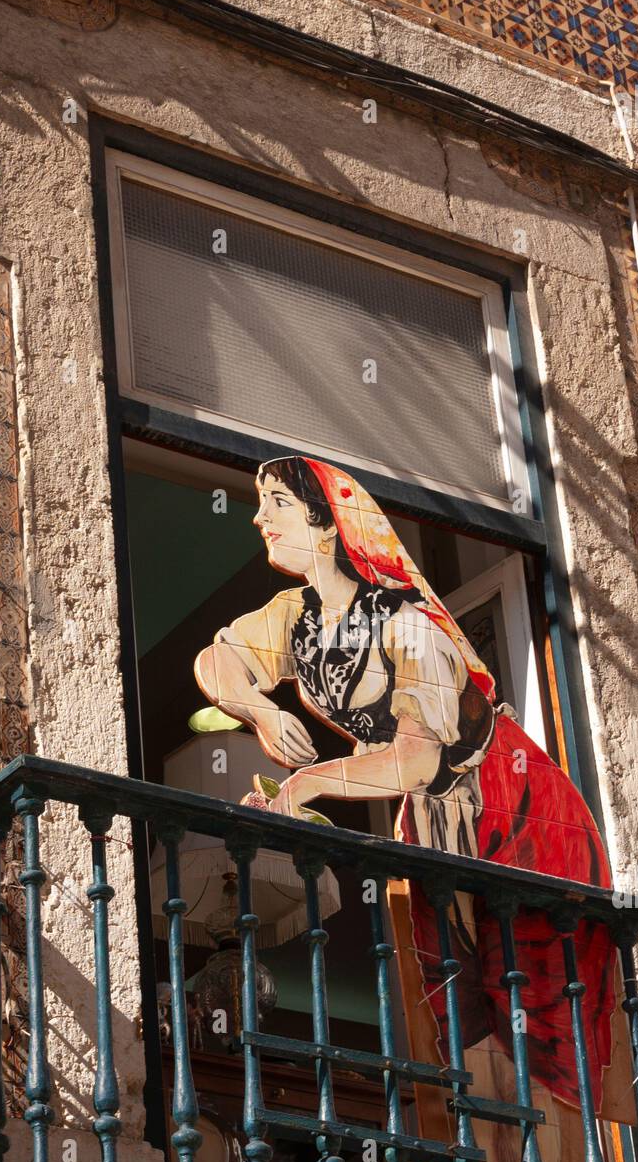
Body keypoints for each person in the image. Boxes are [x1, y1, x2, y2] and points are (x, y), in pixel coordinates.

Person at [194, 454, 615, 1108]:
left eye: (275, 502)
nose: (258, 518)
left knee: (543, 1017)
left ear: (327, 523)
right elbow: (214, 659)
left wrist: (306, 783)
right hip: (433, 828)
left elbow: (417, 758)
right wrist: (260, 709)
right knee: (464, 1029)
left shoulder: (408, 625)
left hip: (513, 806)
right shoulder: (295, 617)